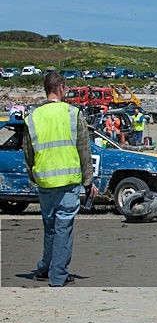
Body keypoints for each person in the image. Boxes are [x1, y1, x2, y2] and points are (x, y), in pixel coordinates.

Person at [24, 72, 98, 286]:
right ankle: (58, 275)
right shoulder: (73, 114)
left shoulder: (33, 117)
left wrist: (33, 176)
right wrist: (88, 182)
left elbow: (28, 152)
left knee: (50, 228)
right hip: (68, 181)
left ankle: (45, 268)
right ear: (62, 88)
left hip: (45, 181)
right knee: (63, 228)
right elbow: (84, 150)